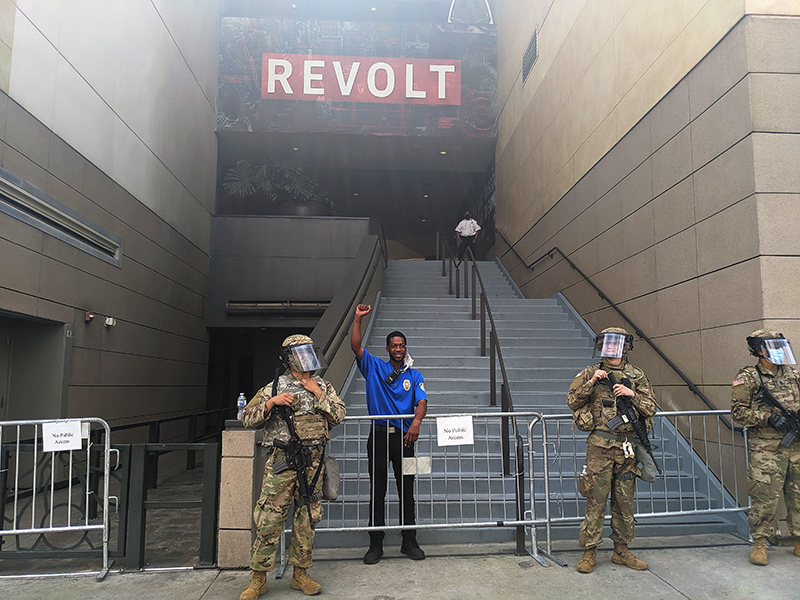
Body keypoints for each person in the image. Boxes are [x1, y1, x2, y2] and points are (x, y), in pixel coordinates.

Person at [239, 334, 346, 599]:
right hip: (282, 462)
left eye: (309, 352)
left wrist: (318, 392)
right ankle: (258, 578)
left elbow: (339, 415)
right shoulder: (275, 387)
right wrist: (271, 403)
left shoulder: (323, 385)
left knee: (307, 519)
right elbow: (246, 418)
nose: (306, 359)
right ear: (289, 358)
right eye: (300, 353)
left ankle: (301, 574)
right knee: (269, 519)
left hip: (313, 462)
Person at [567, 327, 658, 573]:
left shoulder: (637, 375)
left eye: (617, 344)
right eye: (608, 344)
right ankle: (589, 551)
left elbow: (651, 408)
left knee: (624, 500)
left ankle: (622, 550)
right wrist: (593, 382)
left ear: (626, 347)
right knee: (596, 499)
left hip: (627, 448)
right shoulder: (590, 372)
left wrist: (632, 395)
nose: (612, 349)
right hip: (600, 446)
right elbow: (572, 400)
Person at [350, 303, 428, 564]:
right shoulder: (373, 367)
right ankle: (375, 544)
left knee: (407, 489)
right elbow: (356, 347)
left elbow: (422, 402)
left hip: (406, 440)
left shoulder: (414, 374)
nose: (398, 348)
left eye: (401, 345)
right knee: (378, 490)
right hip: (379, 437)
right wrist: (358, 319)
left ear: (405, 348)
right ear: (387, 349)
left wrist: (416, 422)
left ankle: (409, 541)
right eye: (394, 345)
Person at [730, 328, 800, 566]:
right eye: (774, 347)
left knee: (798, 494)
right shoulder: (748, 377)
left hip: (796, 446)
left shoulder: (793, 375)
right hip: (766, 448)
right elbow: (738, 412)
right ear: (760, 350)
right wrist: (766, 418)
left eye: (781, 346)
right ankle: (760, 542)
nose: (780, 351)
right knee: (765, 496)